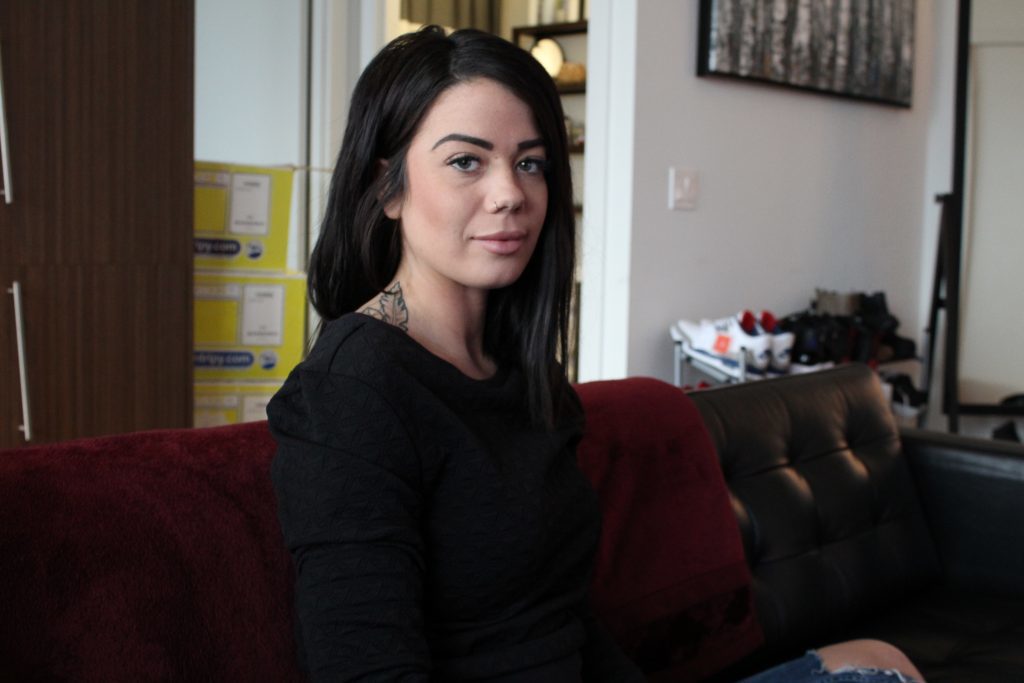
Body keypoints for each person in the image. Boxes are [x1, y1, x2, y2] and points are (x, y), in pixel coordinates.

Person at [267, 25, 926, 683]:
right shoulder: (350, 390)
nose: (509, 194)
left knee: (876, 661)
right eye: (466, 161)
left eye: (530, 162)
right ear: (389, 187)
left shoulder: (521, 370)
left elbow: (567, 620)